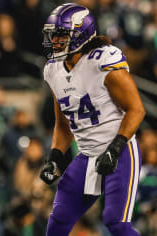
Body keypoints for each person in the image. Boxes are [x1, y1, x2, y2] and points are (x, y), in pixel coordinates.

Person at [39, 3, 145, 236]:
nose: (54, 41)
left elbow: (136, 109)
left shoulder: (102, 62)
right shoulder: (54, 70)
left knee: (116, 222)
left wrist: (115, 148)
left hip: (121, 149)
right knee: (58, 221)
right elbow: (63, 124)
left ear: (80, 35)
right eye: (53, 36)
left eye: (60, 36)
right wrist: (54, 158)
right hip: (86, 154)